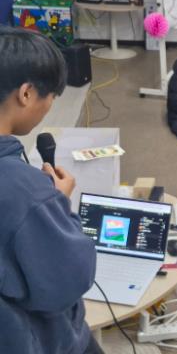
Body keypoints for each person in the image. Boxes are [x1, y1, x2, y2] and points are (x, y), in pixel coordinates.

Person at [0, 28, 101, 354]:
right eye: (52, 97)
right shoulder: (27, 193)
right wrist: (59, 202)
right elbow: (69, 280)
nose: (50, 106)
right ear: (26, 93)